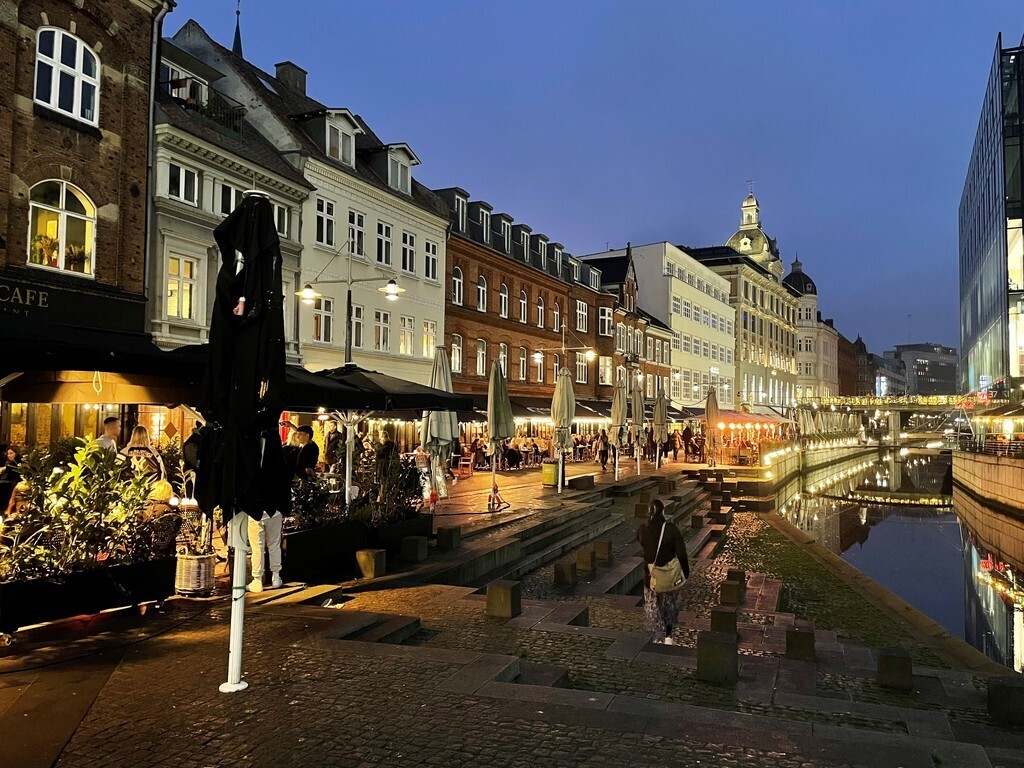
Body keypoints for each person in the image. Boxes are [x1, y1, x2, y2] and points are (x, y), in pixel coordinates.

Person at [637, 499, 690, 645]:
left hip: (650, 574)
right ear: (663, 512)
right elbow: (682, 553)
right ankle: (668, 634)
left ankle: (656, 635)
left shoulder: (642, 529)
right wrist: (685, 571)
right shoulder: (671, 529)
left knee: (653, 602)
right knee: (670, 604)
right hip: (669, 574)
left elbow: (643, 544)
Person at [247, 509, 284, 593]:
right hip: (274, 511)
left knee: (257, 549)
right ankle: (276, 577)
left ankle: (257, 580)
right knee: (274, 545)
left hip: (255, 513)